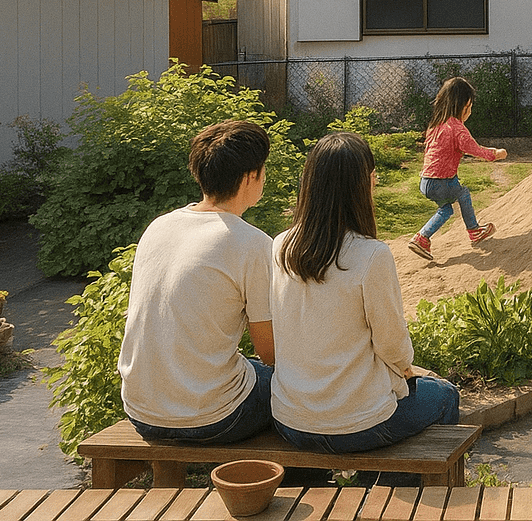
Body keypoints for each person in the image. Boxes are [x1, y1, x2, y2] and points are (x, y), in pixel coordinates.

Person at [270, 132, 459, 452]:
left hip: (289, 419)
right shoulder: (371, 255)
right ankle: (404, 493)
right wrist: (407, 369)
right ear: (366, 183)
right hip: (355, 424)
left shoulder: (280, 245)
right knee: (445, 395)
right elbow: (393, 347)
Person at [117, 120, 276, 443]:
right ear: (251, 176)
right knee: (301, 397)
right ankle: (301, 485)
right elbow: (270, 351)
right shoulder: (252, 243)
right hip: (214, 417)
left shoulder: (159, 227)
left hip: (140, 411)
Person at [407, 77, 506, 260]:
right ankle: (474, 231)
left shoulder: (435, 125)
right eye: (469, 107)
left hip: (425, 181)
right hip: (441, 182)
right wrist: (496, 154)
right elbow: (476, 150)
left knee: (446, 210)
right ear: (463, 106)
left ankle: (421, 238)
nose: (470, 111)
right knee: (463, 193)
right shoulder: (456, 129)